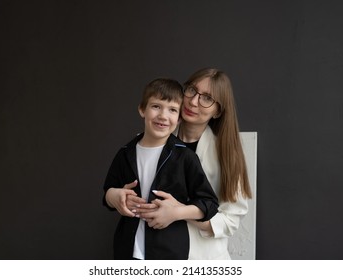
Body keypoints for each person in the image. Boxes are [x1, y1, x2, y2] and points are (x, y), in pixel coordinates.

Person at [131, 68, 253, 259]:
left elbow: (230, 220)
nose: (194, 101)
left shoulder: (228, 154)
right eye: (192, 90)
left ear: (217, 110)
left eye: (207, 98)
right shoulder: (149, 139)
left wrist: (179, 213)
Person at [103, 77, 219, 260]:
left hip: (168, 253)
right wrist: (115, 196)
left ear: (179, 118)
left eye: (172, 110)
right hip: (126, 250)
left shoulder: (185, 157)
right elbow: (107, 193)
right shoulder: (125, 153)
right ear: (142, 109)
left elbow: (209, 204)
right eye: (156, 106)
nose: (163, 116)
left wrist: (176, 213)